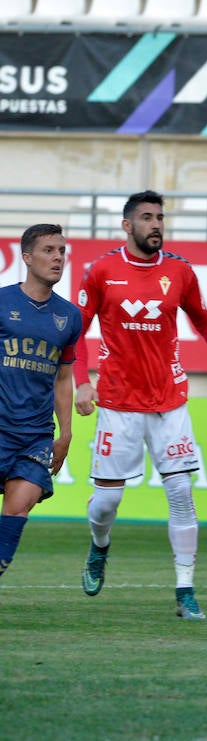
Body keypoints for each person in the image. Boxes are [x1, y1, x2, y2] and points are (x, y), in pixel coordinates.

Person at [73, 190, 207, 620]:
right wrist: (82, 383)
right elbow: (77, 331)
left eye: (160, 217)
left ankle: (185, 590)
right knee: (106, 504)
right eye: (146, 217)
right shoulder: (101, 270)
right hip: (119, 402)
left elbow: (202, 319)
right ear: (127, 226)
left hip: (169, 400)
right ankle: (99, 547)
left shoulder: (179, 271)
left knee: (180, 493)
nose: (156, 224)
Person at [0, 224, 82, 579]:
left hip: (34, 436)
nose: (58, 257)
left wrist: (65, 434)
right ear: (27, 258)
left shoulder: (69, 317)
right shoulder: (2, 302)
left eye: (62, 251)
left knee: (16, 515)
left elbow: (64, 377)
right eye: (49, 250)